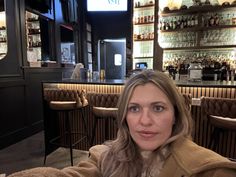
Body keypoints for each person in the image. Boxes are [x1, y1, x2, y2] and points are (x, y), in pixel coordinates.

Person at [8, 70, 236, 177]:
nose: (145, 121)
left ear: (175, 115)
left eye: (158, 108)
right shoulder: (105, 157)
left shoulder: (210, 170)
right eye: (134, 108)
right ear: (124, 116)